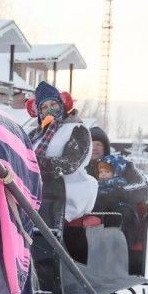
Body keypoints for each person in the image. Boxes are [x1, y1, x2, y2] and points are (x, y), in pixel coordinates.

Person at [29, 81, 98, 222]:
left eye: (53, 104)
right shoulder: (34, 136)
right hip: (36, 193)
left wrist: (32, 163)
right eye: (44, 106)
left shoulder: (77, 129)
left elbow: (69, 164)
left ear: (62, 105)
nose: (49, 109)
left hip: (65, 196)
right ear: (39, 112)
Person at [86, 126, 148, 205]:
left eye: (98, 144)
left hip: (116, 212)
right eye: (91, 144)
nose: (94, 148)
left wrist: (117, 194)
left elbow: (143, 187)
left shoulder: (122, 165)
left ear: (105, 148)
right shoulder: (76, 169)